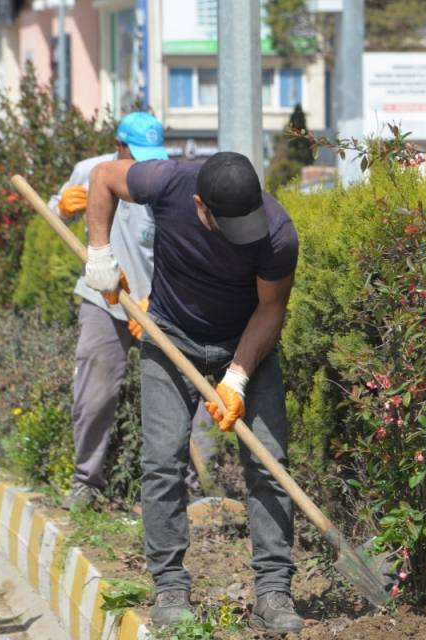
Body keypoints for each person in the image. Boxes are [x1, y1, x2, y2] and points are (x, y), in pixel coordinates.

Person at [81, 151, 303, 633]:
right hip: (169, 335)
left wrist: (238, 377)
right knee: (163, 460)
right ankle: (170, 585)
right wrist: (99, 253)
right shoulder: (167, 181)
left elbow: (270, 308)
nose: (241, 235)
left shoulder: (277, 234)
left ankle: (272, 590)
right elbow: (102, 178)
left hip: (245, 338)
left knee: (268, 460)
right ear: (200, 206)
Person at [48, 111, 167, 510]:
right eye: (136, 153)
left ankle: (191, 489)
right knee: (95, 393)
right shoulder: (91, 170)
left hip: (158, 305)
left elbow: (180, 245)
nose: (144, 162)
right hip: (104, 298)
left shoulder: (165, 178)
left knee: (180, 396)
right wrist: (62, 208)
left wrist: (159, 301)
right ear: (118, 145)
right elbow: (54, 214)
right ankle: (87, 482)